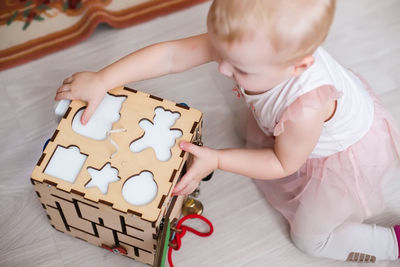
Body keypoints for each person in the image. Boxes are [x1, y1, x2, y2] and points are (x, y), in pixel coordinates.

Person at [56, 0, 400, 262]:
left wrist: (218, 160)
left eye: (240, 68)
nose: (220, 67)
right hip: (289, 134)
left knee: (310, 239)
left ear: (299, 66)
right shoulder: (252, 44)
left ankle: (390, 244)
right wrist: (103, 80)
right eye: (220, 52)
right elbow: (171, 56)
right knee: (249, 133)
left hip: (333, 157)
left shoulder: (306, 110)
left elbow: (283, 164)